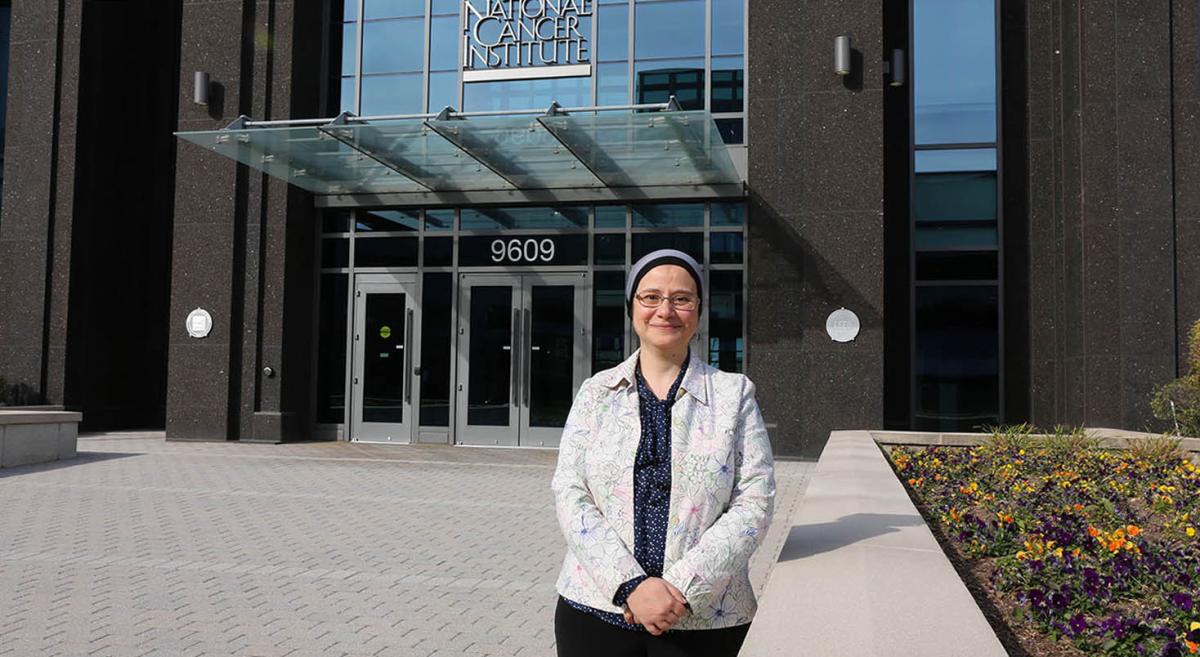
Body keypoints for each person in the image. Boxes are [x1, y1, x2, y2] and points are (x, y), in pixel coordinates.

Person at [551, 249, 776, 657]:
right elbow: (570, 492)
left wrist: (679, 590)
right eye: (650, 297)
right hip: (595, 612)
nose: (665, 310)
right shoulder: (596, 393)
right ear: (632, 307)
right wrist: (631, 586)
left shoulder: (733, 394)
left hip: (706, 619)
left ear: (699, 310)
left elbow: (754, 503)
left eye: (682, 298)